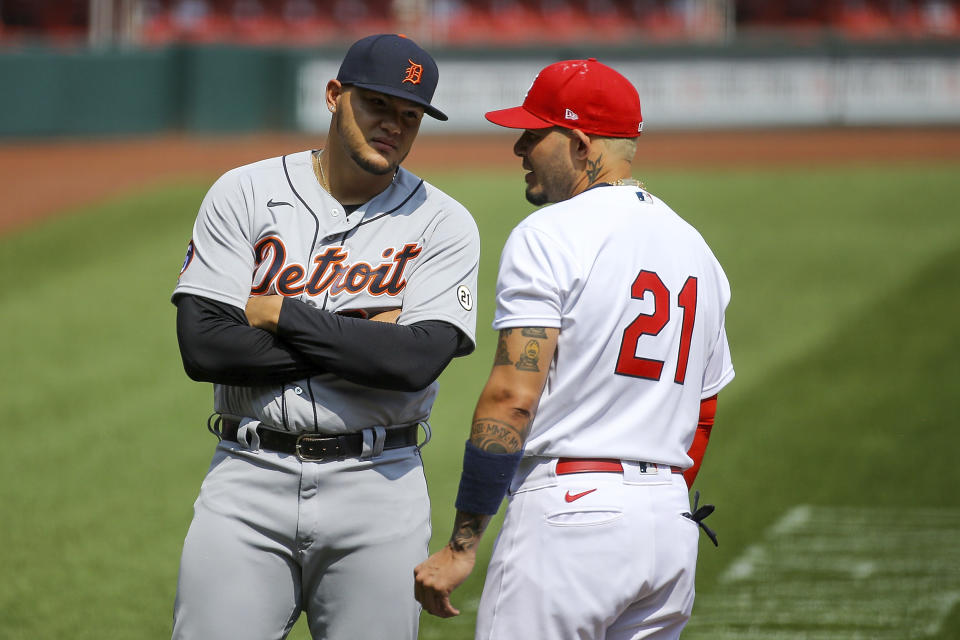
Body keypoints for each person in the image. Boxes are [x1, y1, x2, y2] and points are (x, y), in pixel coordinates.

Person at [170, 34, 480, 640]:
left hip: (380, 486)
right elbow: (204, 347)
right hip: (247, 477)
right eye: (378, 107)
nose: (394, 126)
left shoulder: (445, 222)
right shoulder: (243, 192)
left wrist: (281, 315)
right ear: (335, 96)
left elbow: (415, 362)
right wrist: (366, 341)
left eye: (410, 116)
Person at [413, 58, 734, 639]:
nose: (519, 147)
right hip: (669, 525)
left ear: (583, 145)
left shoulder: (550, 234)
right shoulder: (697, 249)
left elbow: (513, 396)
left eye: (535, 135)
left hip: (571, 519)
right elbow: (705, 410)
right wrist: (651, 501)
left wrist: (463, 545)